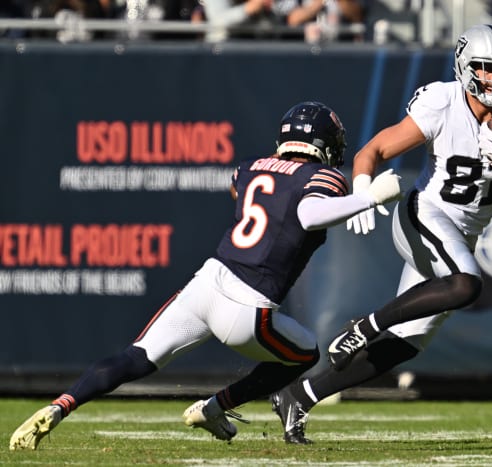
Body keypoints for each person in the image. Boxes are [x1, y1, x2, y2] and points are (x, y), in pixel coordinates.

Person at [9, 101, 402, 451]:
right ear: (326, 143)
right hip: (248, 306)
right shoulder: (324, 177)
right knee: (305, 353)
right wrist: (368, 197)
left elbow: (252, 195)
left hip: (206, 283)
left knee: (136, 356)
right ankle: (214, 407)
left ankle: (60, 406)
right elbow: (307, 215)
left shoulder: (248, 169)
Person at [269, 23, 492, 444]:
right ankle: (367, 324)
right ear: (465, 67)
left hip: (463, 234)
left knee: (408, 342)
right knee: (466, 283)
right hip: (425, 214)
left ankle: (300, 395)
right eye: (486, 68)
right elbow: (375, 150)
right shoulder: (442, 102)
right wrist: (363, 189)